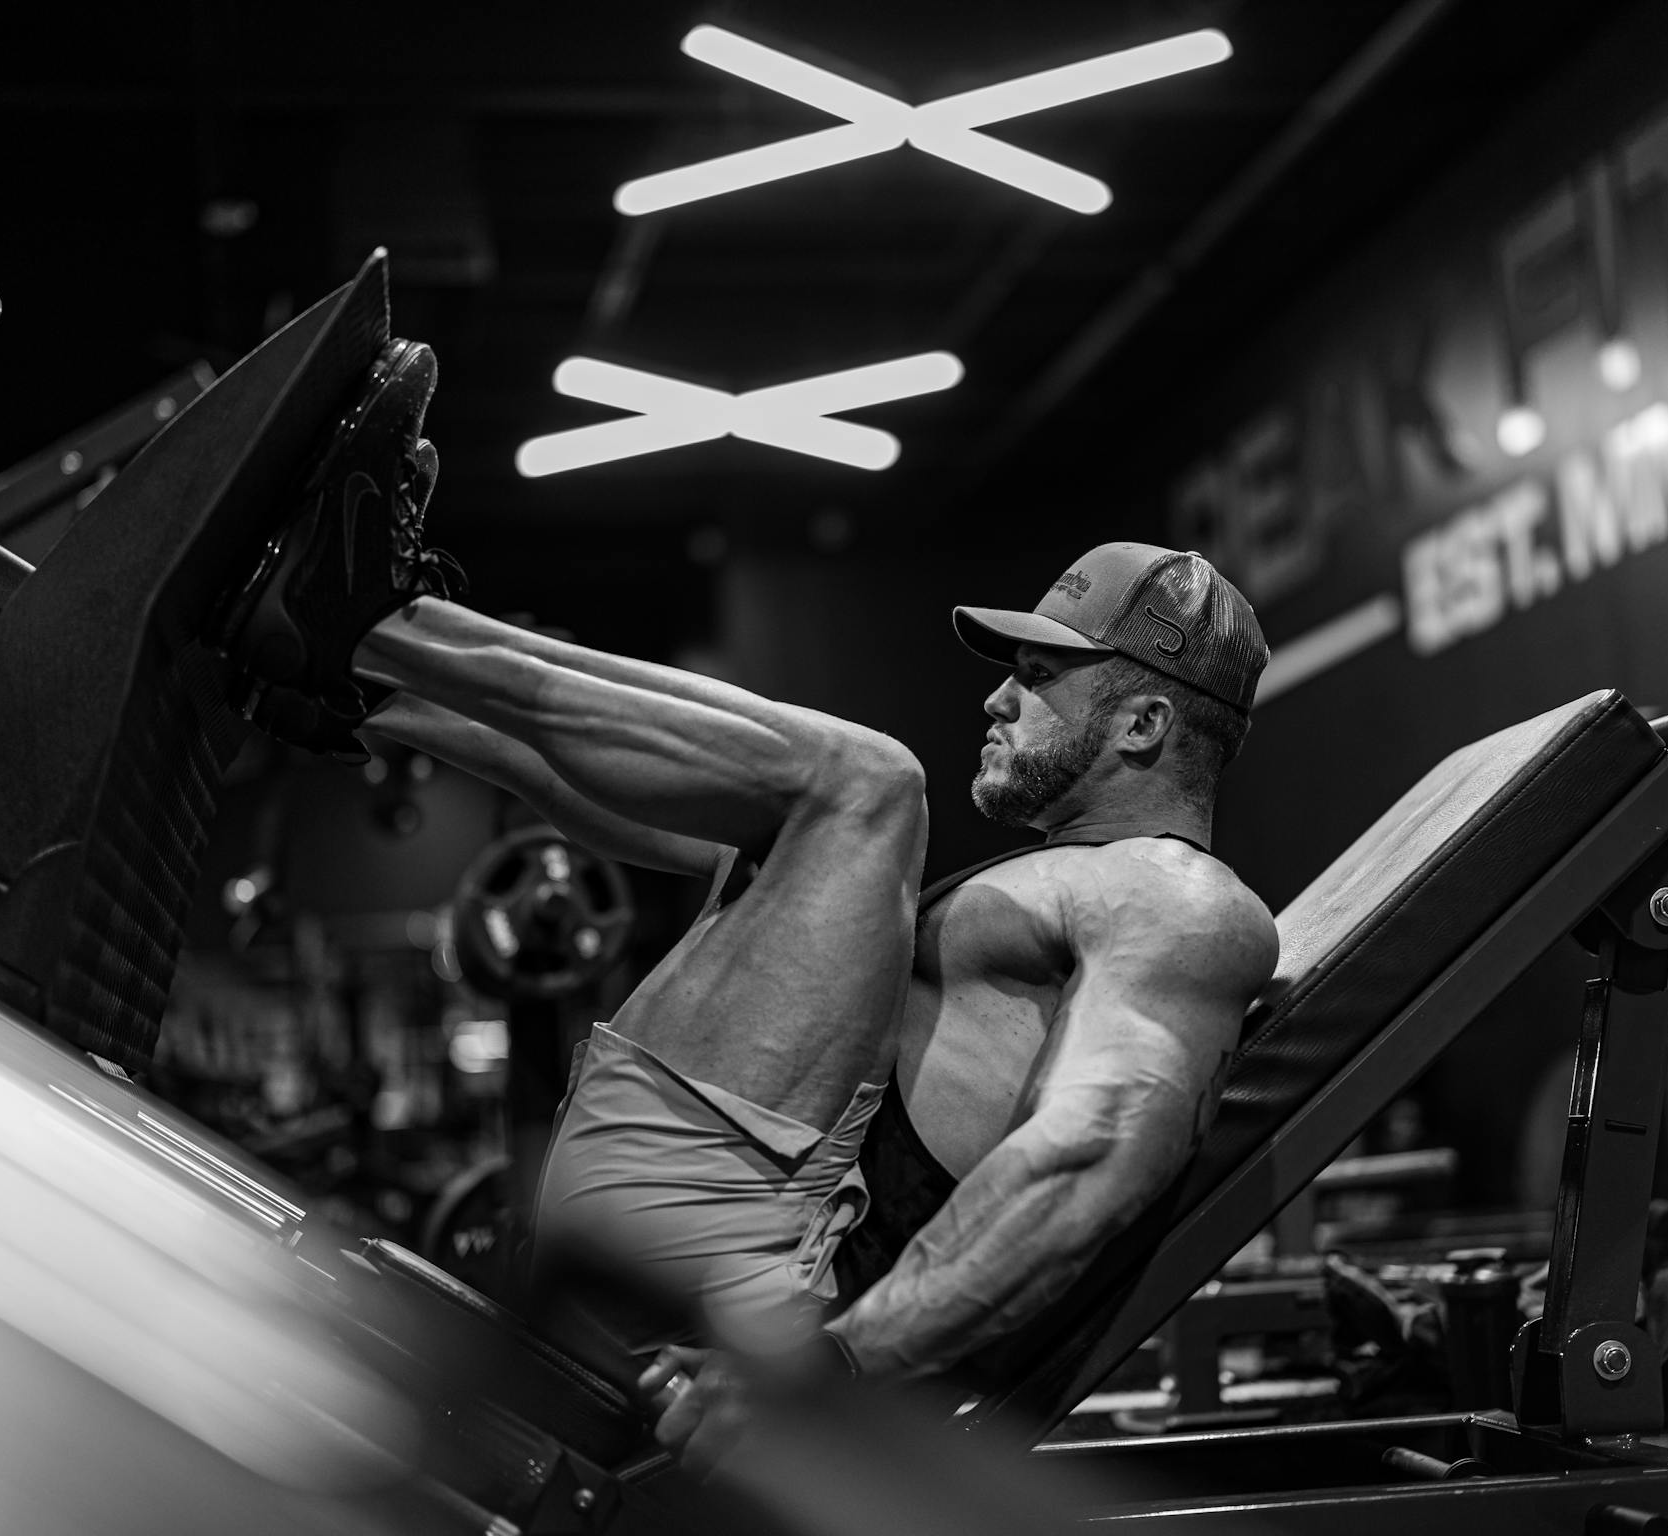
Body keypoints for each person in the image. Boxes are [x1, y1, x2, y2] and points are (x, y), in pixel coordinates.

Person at [220, 343, 1278, 1466]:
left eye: (1040, 676)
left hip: (765, 1295)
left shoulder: (1183, 904)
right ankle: (364, 691)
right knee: (776, 823)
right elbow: (691, 815)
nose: (997, 694)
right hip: (705, 1219)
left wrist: (830, 1370)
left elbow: (1091, 1149)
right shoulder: (1056, 885)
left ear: (1146, 729)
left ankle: (373, 628)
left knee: (867, 786)